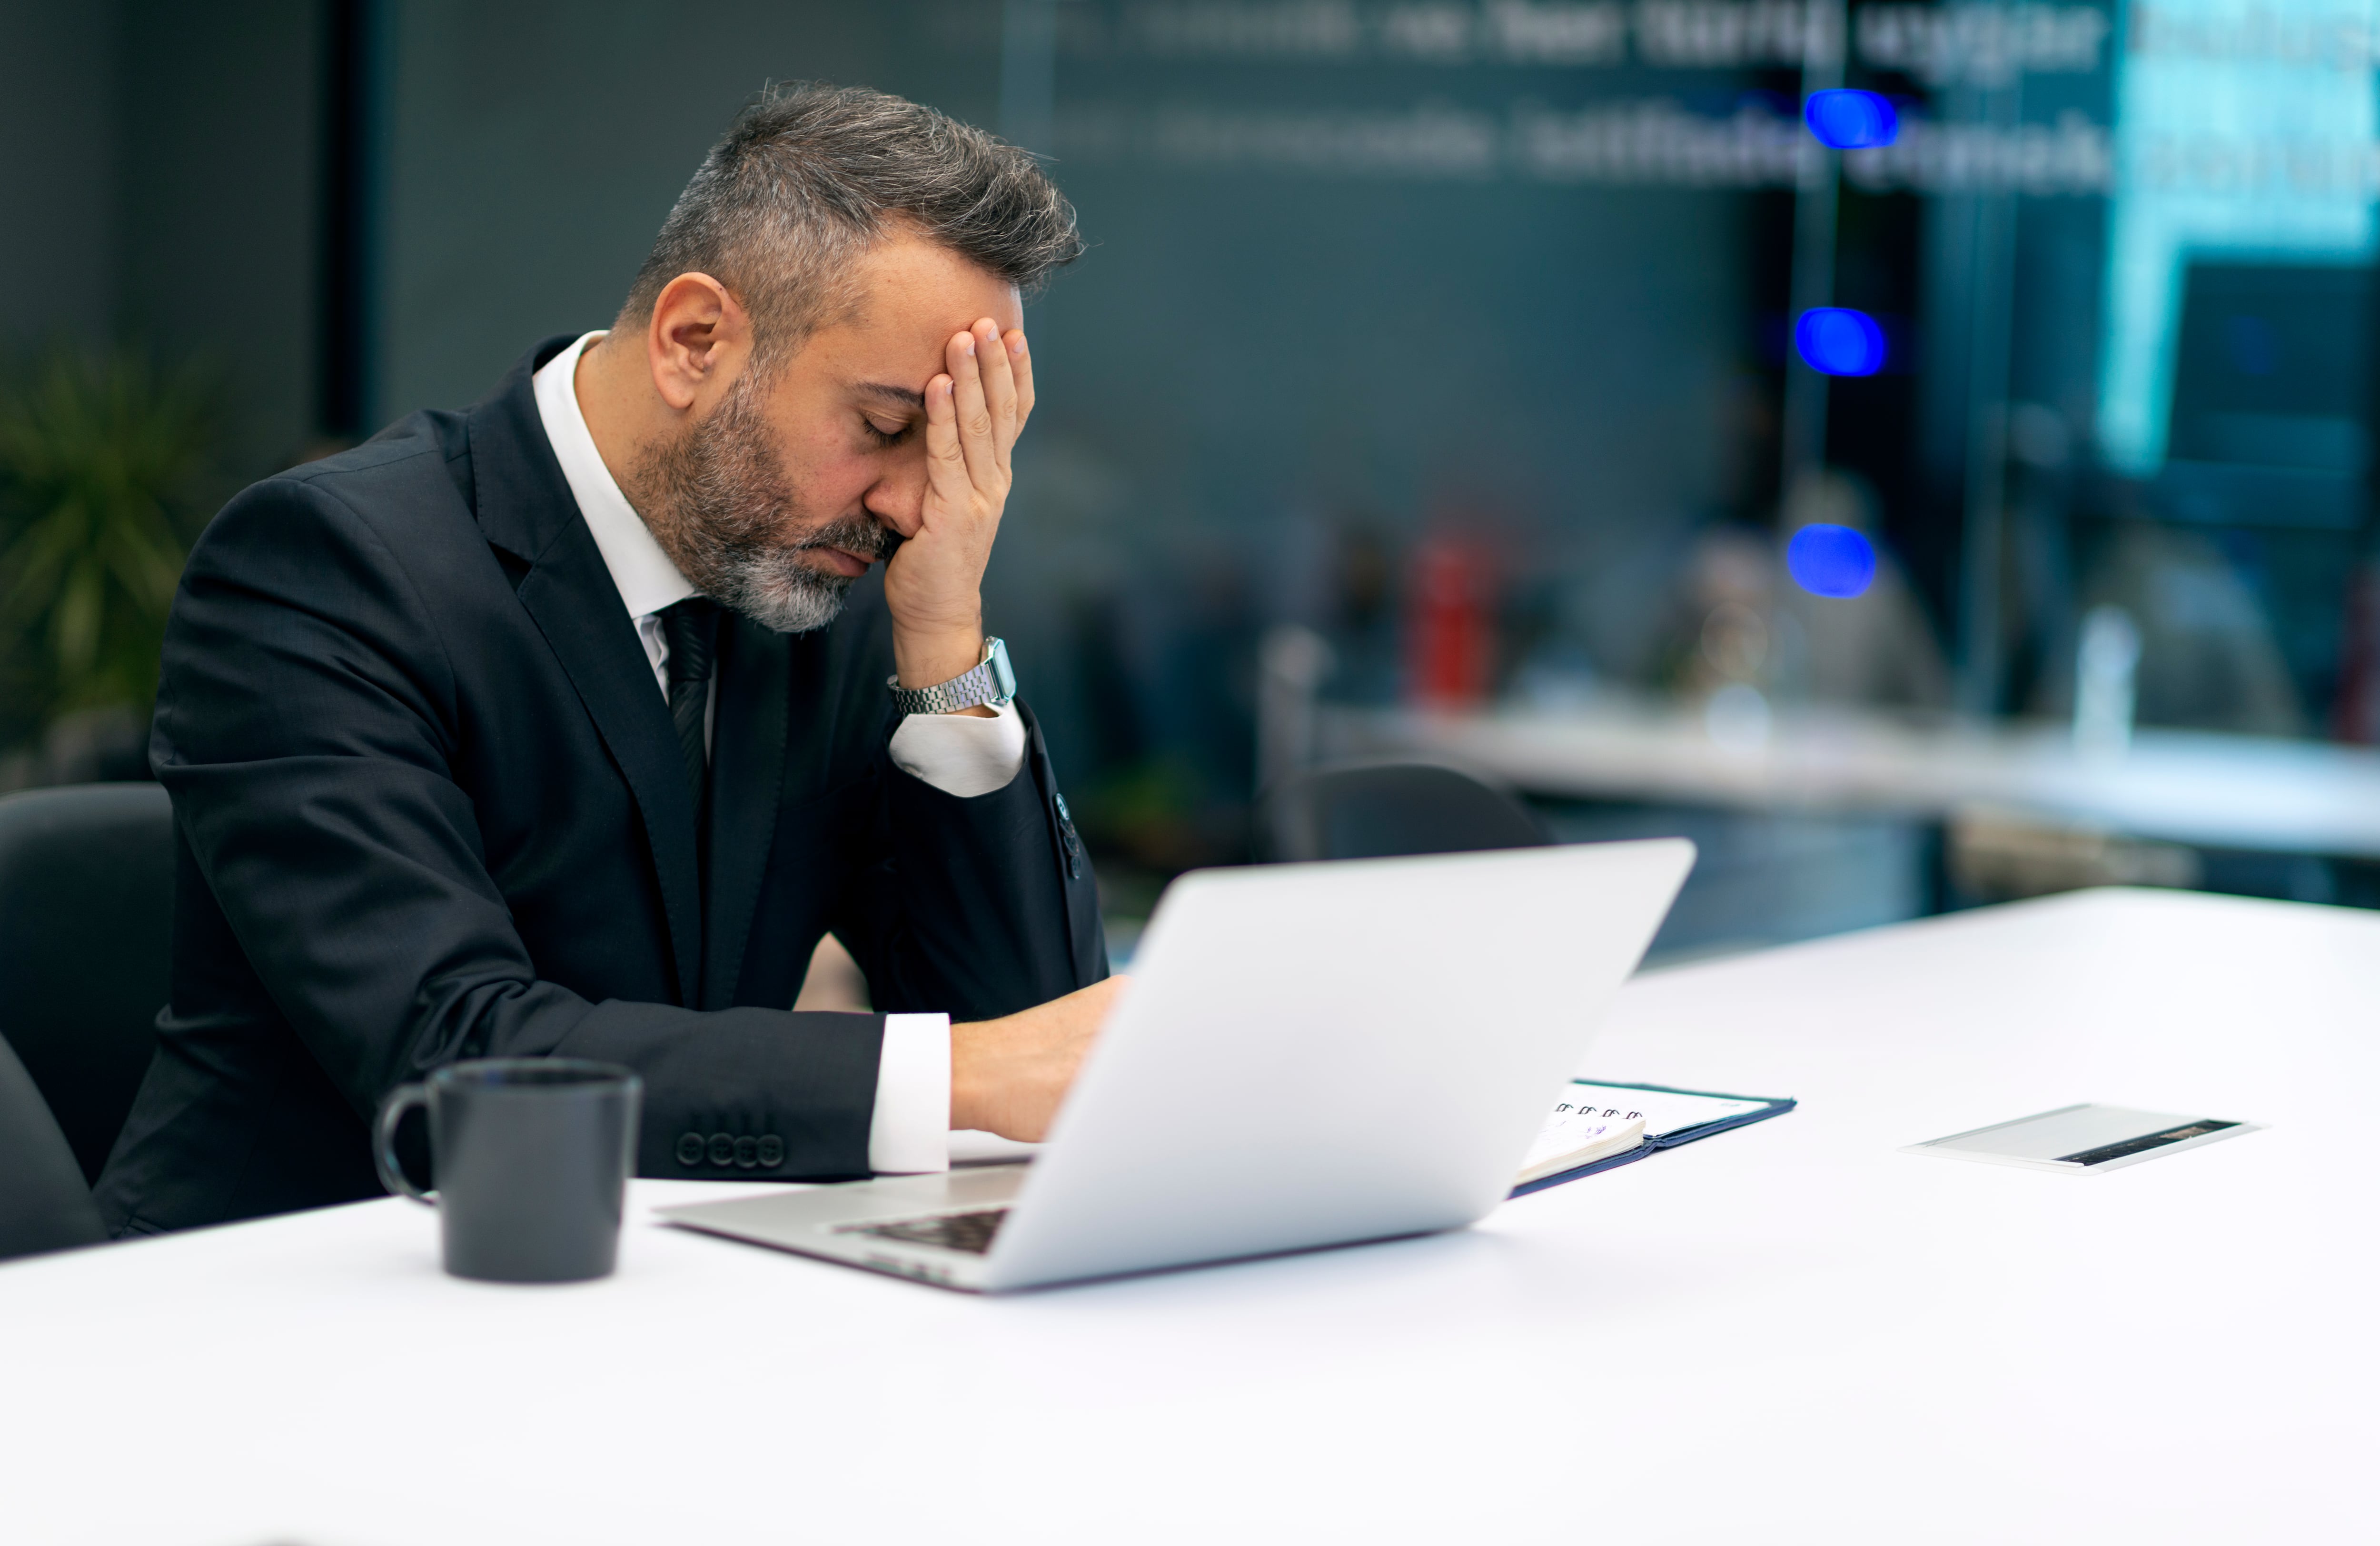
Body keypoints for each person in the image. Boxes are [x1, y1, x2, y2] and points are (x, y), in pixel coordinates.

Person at [95, 83, 1122, 1236]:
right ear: (695, 342)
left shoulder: (827, 582)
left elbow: (1035, 1045)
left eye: (953, 448)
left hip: (659, 1302)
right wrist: (963, 1076)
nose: (911, 501)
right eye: (887, 428)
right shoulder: (329, 568)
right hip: (276, 1315)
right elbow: (455, 1059)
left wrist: (945, 650)